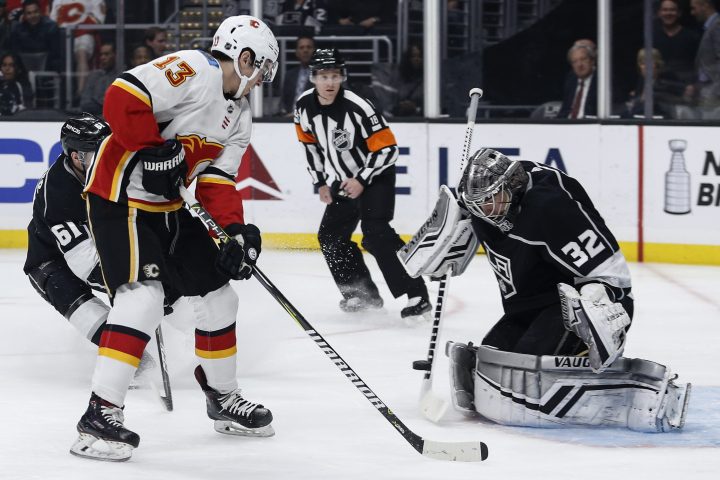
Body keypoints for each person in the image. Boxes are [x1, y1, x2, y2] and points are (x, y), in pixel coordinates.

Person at [69, 15, 280, 462]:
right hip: (120, 198)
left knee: (221, 299)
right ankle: (99, 414)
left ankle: (223, 397)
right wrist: (153, 148)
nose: (262, 80)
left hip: (171, 209)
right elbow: (122, 96)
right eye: (262, 69)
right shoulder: (194, 68)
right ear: (245, 58)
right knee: (142, 299)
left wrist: (235, 233)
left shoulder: (239, 117)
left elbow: (218, 180)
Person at [408, 148, 690, 432]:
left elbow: (610, 274)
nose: (485, 211)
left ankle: (623, 385)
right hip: (527, 305)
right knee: (492, 363)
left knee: (524, 374)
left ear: (513, 187)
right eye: (478, 204)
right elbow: (431, 252)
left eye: (491, 201)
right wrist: (445, 244)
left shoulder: (551, 208)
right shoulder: (483, 203)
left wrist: (597, 312)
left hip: (570, 305)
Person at [293, 48, 431, 319]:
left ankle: (417, 294)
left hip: (375, 176)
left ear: (342, 76)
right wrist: (320, 181)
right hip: (344, 181)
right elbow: (308, 144)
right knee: (330, 237)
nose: (329, 82)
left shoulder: (359, 106)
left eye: (334, 75)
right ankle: (361, 293)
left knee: (375, 233)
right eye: (323, 76)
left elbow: (389, 150)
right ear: (313, 79)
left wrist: (362, 179)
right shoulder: (303, 106)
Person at [24, 114, 111, 348]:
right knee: (110, 334)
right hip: (51, 263)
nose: (107, 158)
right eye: (98, 153)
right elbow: (87, 265)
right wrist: (132, 283)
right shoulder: (58, 192)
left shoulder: (112, 173)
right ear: (76, 156)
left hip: (96, 245)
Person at [50, 0, 106, 97]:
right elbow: (53, 19)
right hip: (63, 35)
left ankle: (81, 92)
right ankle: (63, 95)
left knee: (82, 53)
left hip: (84, 33)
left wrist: (78, 29)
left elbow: (98, 19)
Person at [622, 48, 683, 118]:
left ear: (658, 64)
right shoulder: (642, 79)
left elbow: (673, 99)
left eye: (649, 63)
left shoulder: (668, 76)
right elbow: (639, 100)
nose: (645, 67)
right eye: (642, 64)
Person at [654, 0, 701, 86]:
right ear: (659, 13)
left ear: (679, 13)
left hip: (686, 88)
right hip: (659, 88)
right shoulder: (652, 38)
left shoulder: (692, 37)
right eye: (665, 10)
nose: (668, 13)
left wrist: (694, 85)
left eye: (672, 10)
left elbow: (699, 65)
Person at [370, 43, 423, 118]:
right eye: (413, 56)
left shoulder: (430, 78)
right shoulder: (399, 76)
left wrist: (416, 108)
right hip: (399, 116)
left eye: (420, 56)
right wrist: (400, 105)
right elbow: (391, 101)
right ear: (408, 58)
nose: (416, 59)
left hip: (421, 116)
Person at [686, 0, 720, 114]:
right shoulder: (711, 26)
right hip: (706, 90)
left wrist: (716, 91)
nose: (692, 12)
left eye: (694, 8)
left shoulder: (717, 25)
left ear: (704, 6)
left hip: (713, 91)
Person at [9, 0, 62, 72]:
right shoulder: (18, 30)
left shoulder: (51, 27)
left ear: (40, 12)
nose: (33, 16)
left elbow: (55, 55)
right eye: (29, 13)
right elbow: (15, 53)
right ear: (24, 15)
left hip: (48, 69)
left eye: (35, 12)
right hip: (25, 71)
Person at [558, 41, 597, 119]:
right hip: (568, 125)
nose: (579, 65)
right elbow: (564, 110)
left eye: (583, 59)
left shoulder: (602, 80)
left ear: (592, 61)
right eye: (575, 62)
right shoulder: (571, 80)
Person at [79, 41, 117, 114]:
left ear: (115, 55)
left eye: (106, 54)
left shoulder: (123, 76)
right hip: (94, 118)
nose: (102, 57)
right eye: (101, 54)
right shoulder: (93, 76)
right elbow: (85, 103)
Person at [280, 34, 314, 116]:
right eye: (301, 47)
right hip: (288, 120)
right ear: (297, 52)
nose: (305, 50)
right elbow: (283, 102)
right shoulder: (289, 74)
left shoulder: (322, 75)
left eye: (309, 47)